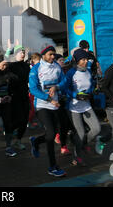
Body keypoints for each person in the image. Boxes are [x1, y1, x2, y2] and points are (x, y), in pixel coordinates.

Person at [29, 45, 66, 177]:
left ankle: (36, 141)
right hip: (42, 106)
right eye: (50, 54)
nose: (52, 57)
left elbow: (64, 80)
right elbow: (33, 89)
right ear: (43, 55)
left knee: (53, 134)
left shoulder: (57, 66)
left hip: (55, 105)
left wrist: (57, 87)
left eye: (54, 55)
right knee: (50, 135)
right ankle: (52, 166)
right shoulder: (36, 68)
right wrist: (48, 99)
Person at [60, 49, 101, 166]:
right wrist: (75, 95)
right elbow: (65, 88)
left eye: (86, 59)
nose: (85, 61)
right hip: (73, 107)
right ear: (77, 61)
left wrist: (93, 91)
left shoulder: (88, 71)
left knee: (97, 129)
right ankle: (77, 157)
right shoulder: (71, 72)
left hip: (86, 105)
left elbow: (91, 85)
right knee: (81, 133)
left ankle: (83, 144)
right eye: (82, 59)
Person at [6, 45, 30, 150]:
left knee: (25, 120)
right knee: (18, 119)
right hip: (14, 96)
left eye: (24, 52)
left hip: (25, 95)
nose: (23, 54)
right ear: (15, 54)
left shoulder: (26, 66)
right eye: (21, 52)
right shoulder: (11, 66)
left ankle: (18, 140)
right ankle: (9, 141)